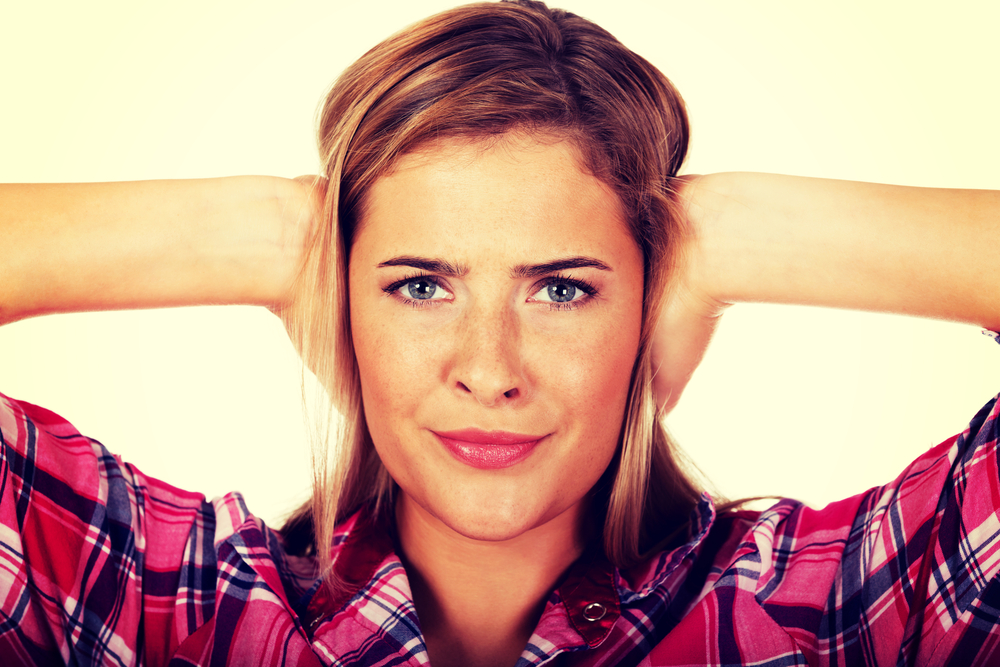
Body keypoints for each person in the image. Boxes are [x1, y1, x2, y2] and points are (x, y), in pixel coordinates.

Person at [1, 2, 998, 666]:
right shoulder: (161, 605)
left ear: (651, 300)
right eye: (420, 284)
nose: (489, 371)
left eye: (560, 289)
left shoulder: (827, 610)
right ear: (337, 298)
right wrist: (267, 233)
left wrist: (730, 233)